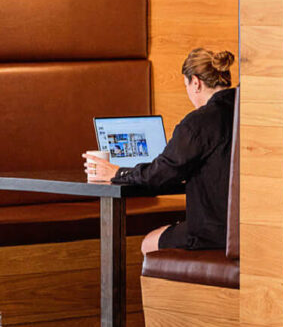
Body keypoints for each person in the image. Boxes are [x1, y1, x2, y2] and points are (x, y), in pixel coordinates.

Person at [84, 48, 237, 255]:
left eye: (186, 86)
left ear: (196, 83)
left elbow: (160, 173)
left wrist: (117, 173)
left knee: (149, 244)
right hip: (249, 228)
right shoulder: (248, 110)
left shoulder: (199, 122)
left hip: (213, 231)